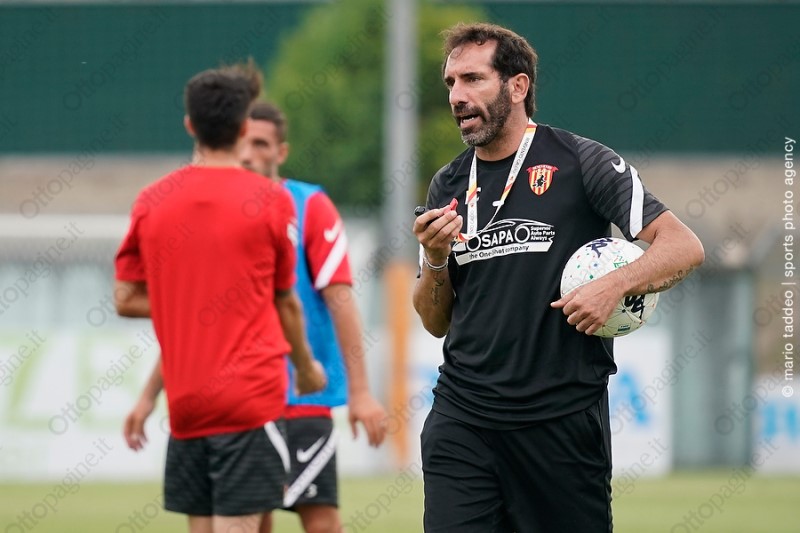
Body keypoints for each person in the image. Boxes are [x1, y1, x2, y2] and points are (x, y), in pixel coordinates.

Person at [412, 23, 704, 532]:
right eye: (451, 83)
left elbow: (684, 247)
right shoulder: (449, 182)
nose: (457, 96)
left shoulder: (582, 162)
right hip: (463, 418)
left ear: (517, 86)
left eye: (473, 79)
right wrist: (435, 258)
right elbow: (435, 321)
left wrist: (615, 285)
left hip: (560, 423)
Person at [124, 101, 388, 533]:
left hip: (301, 399)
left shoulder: (309, 205)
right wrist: (148, 395)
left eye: (261, 144)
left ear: (280, 152)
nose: (249, 154)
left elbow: (340, 299)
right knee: (251, 523)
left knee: (321, 521)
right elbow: (194, 320)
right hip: (237, 400)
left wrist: (360, 392)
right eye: (244, 143)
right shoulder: (218, 216)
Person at [114, 63, 326, 533]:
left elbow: (124, 298)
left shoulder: (152, 199)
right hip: (250, 399)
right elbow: (285, 301)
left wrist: (188, 300)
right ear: (244, 127)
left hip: (187, 404)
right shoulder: (271, 200)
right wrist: (307, 368)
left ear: (190, 125)